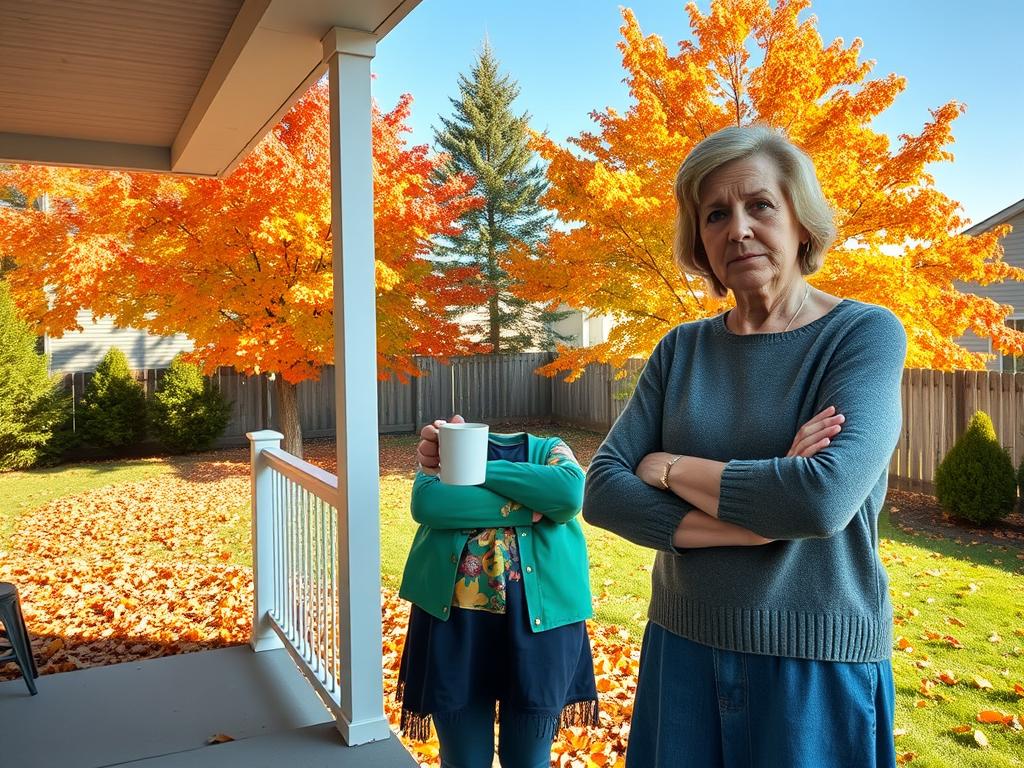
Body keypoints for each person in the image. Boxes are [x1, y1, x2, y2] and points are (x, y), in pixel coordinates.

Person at [583, 124, 905, 768]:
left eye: (761, 205)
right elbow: (604, 491)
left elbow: (819, 500)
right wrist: (754, 523)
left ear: (802, 223)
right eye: (715, 214)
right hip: (681, 649)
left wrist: (670, 466)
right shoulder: (681, 349)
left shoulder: (862, 336)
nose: (739, 229)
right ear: (700, 243)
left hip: (815, 662)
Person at [399, 415, 598, 768]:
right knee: (463, 760)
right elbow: (429, 504)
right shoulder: (448, 446)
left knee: (528, 760)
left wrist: (472, 469)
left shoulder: (549, 449)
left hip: (541, 631)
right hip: (455, 628)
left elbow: (568, 494)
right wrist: (528, 506)